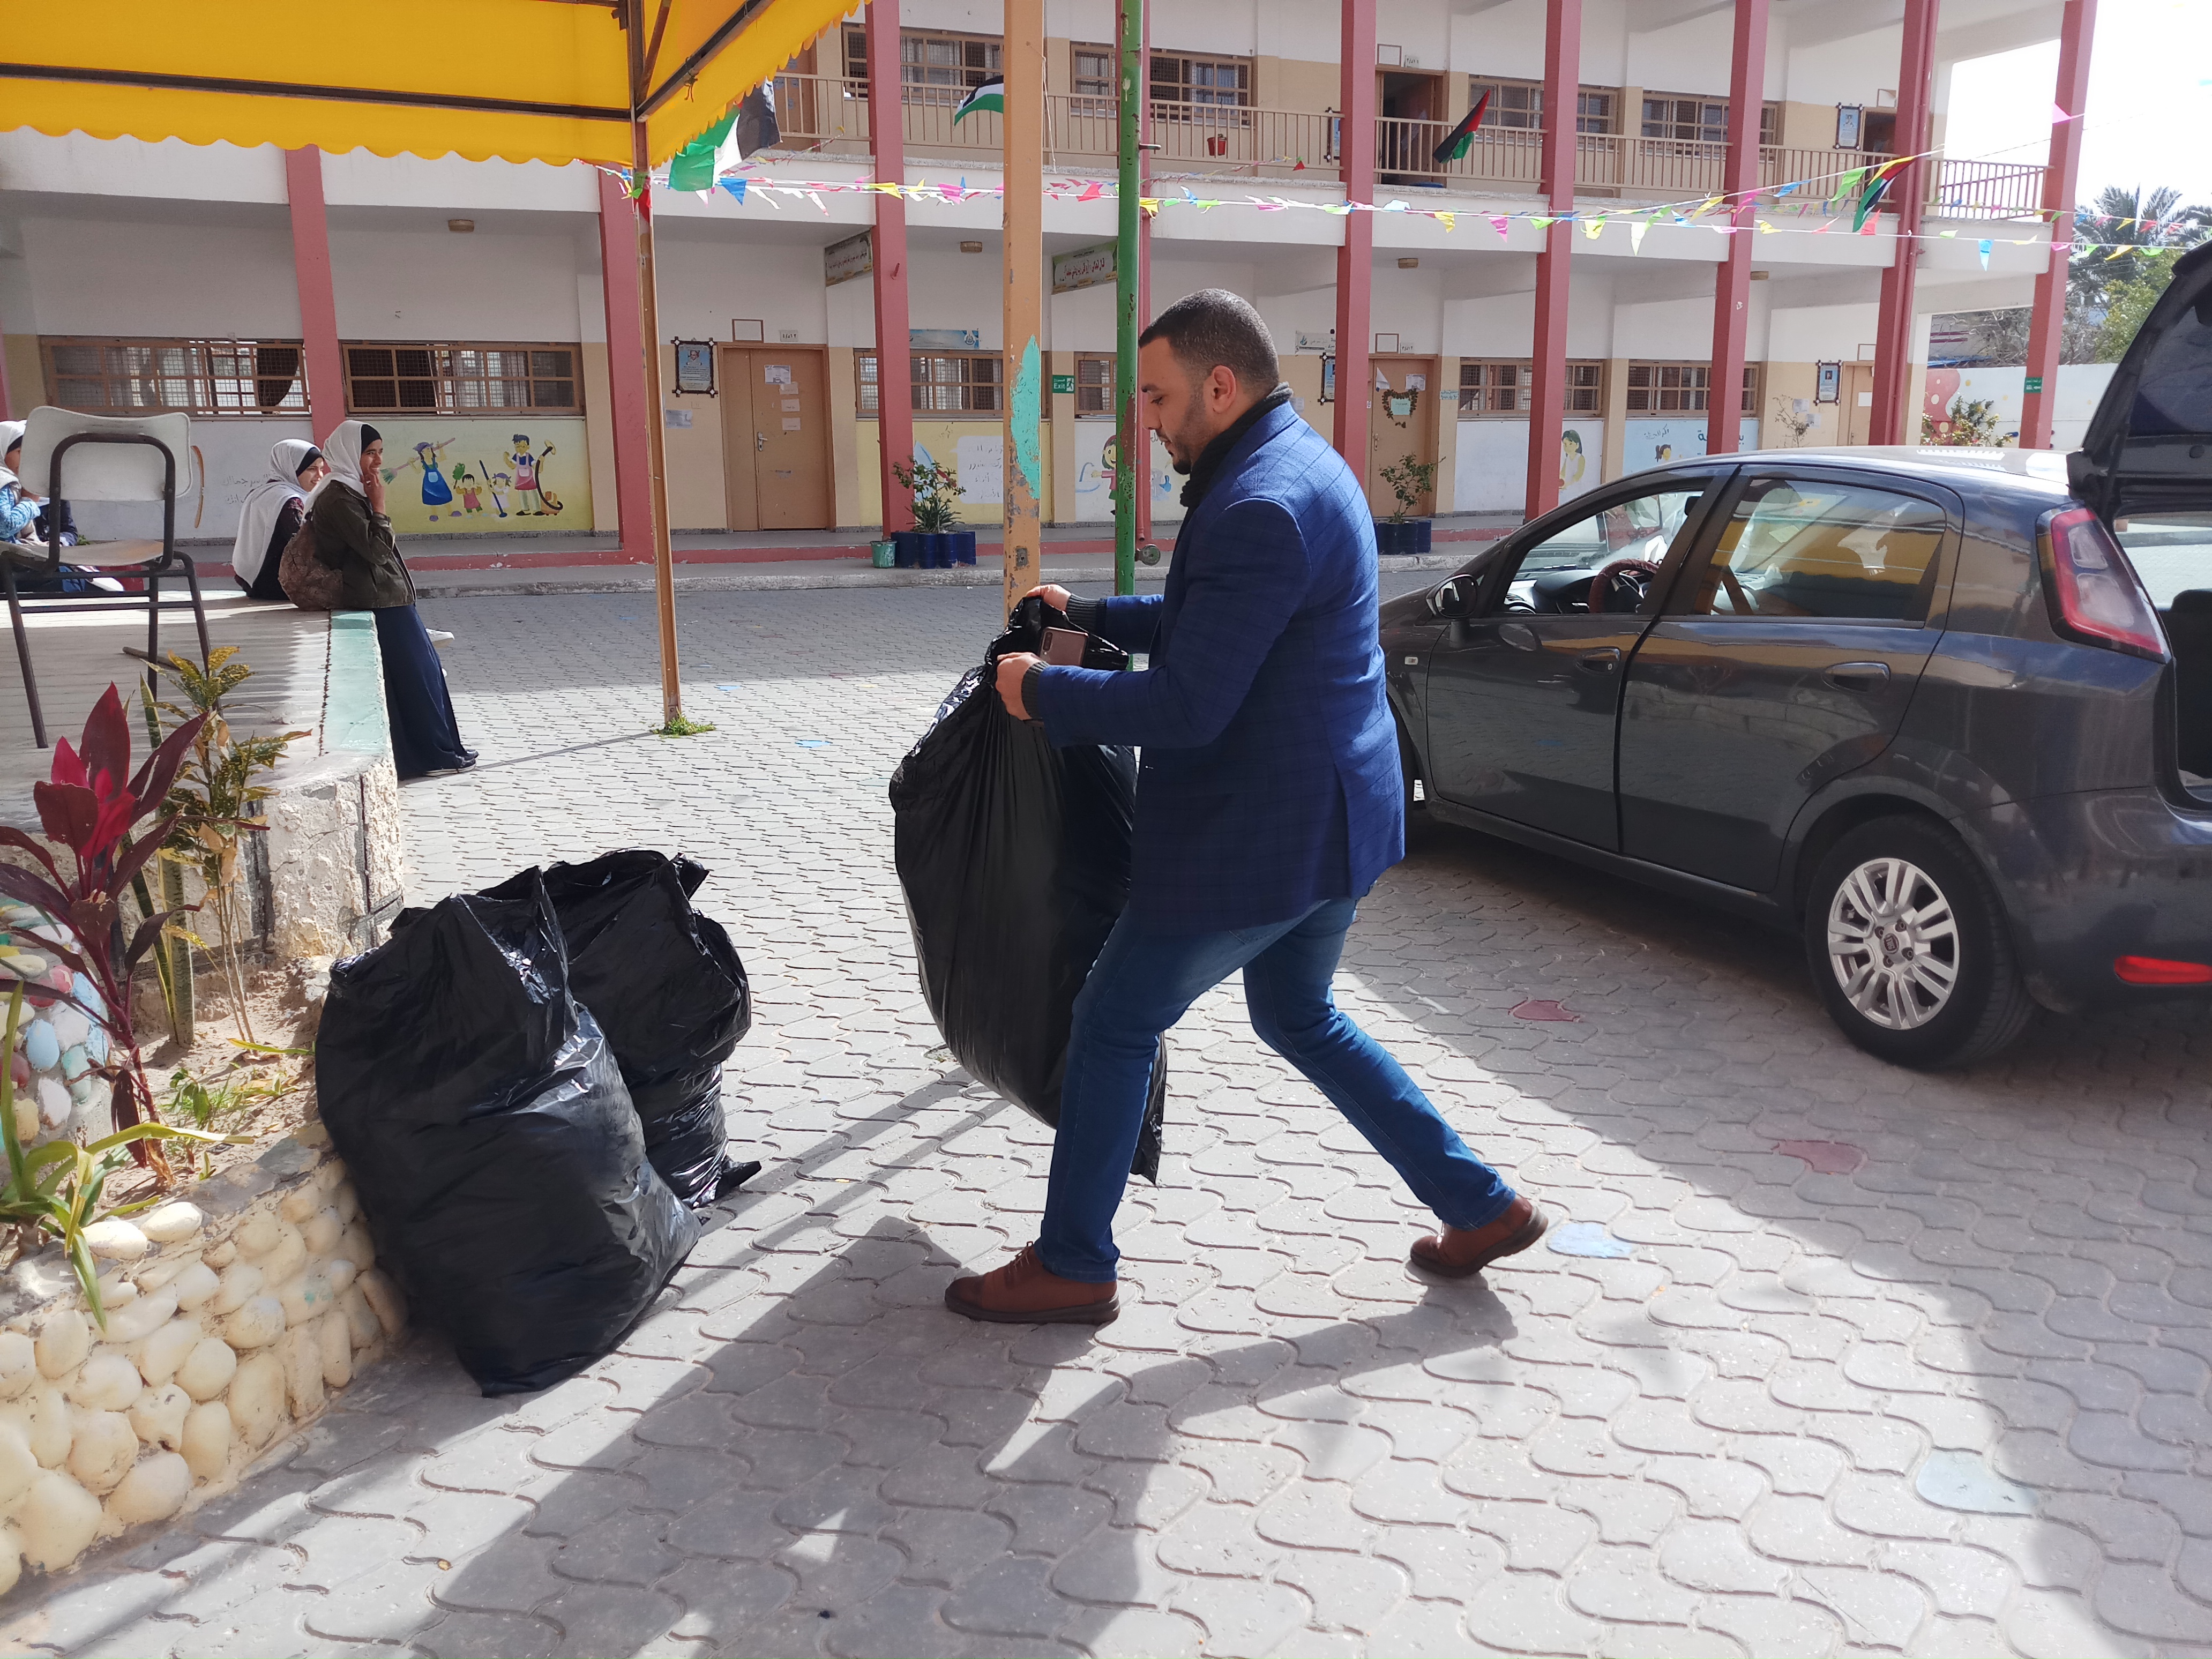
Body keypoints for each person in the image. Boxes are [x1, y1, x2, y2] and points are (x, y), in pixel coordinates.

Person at [945, 289, 1545, 1326]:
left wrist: (1040, 693)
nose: (1143, 419)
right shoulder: (1297, 464)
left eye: (1155, 395)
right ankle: (1480, 1204)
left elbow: (1188, 704)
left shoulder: (1257, 502)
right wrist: (1090, 615)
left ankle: (1074, 1263)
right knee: (1298, 1015)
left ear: (1219, 386)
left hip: (1259, 838)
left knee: (1112, 1021)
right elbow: (1216, 619)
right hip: (1333, 822)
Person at [309, 420, 476, 779]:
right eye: (370, 453)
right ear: (349, 454)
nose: (378, 461)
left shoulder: (351, 491)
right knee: (415, 680)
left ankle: (442, 750)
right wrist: (380, 507)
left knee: (424, 675)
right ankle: (431, 755)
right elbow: (376, 551)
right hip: (376, 600)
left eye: (381, 452)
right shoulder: (338, 498)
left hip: (388, 598)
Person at [232, 438, 326, 602]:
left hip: (252, 581)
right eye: (312, 469)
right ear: (291, 469)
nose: (320, 476)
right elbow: (306, 545)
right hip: (277, 584)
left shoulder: (260, 493)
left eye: (321, 469)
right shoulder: (290, 502)